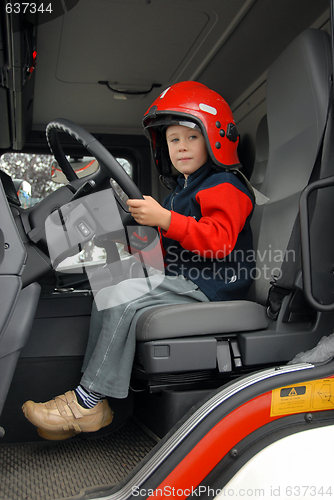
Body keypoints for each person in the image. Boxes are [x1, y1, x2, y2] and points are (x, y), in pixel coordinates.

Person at [22, 81, 255, 440]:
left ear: (214, 138)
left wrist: (164, 219)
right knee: (109, 280)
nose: (181, 147)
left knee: (125, 293)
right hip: (185, 278)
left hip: (213, 286)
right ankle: (93, 401)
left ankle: (89, 401)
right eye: (173, 140)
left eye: (191, 137)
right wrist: (128, 253)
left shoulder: (225, 185)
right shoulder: (182, 191)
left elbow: (219, 242)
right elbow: (174, 245)